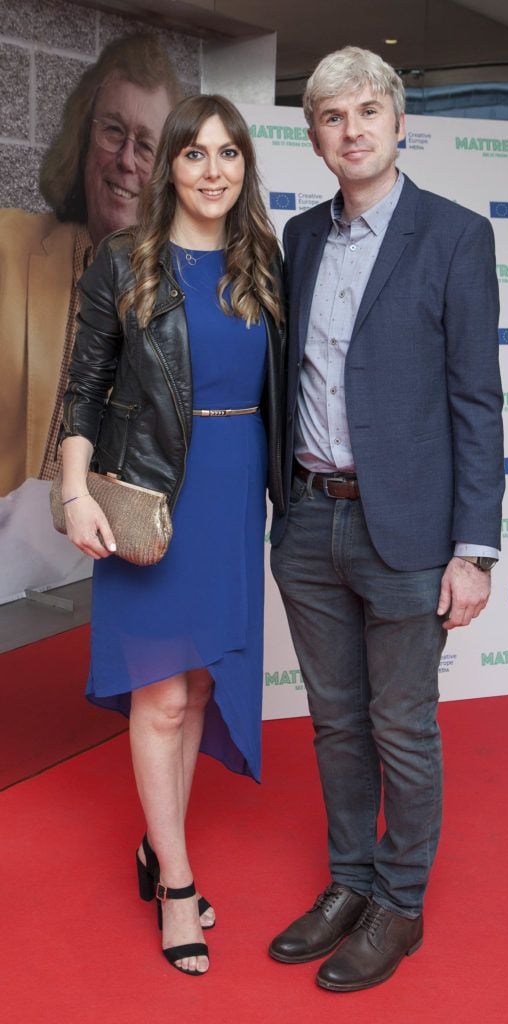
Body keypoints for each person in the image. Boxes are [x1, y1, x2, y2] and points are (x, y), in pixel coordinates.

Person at [269, 46, 504, 993]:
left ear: (398, 123)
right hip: (309, 522)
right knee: (334, 724)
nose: (352, 129)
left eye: (368, 111)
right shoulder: (297, 238)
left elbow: (475, 402)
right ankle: (348, 883)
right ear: (315, 137)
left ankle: (399, 905)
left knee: (401, 725)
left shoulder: (455, 236)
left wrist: (474, 551)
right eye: (332, 117)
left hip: (406, 532)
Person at [59, 94, 285, 975]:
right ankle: (178, 883)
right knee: (158, 695)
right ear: (171, 169)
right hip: (152, 493)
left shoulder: (260, 262)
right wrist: (75, 493)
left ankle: (160, 845)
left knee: (192, 689)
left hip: (232, 499)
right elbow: (81, 387)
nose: (213, 169)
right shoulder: (123, 261)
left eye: (229, 154)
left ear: (243, 169)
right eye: (195, 153)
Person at [0, 33, 182, 496]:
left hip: (116, 539)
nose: (126, 161)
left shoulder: (183, 286)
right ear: (83, 139)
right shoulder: (8, 245)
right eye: (113, 131)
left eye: (146, 146)